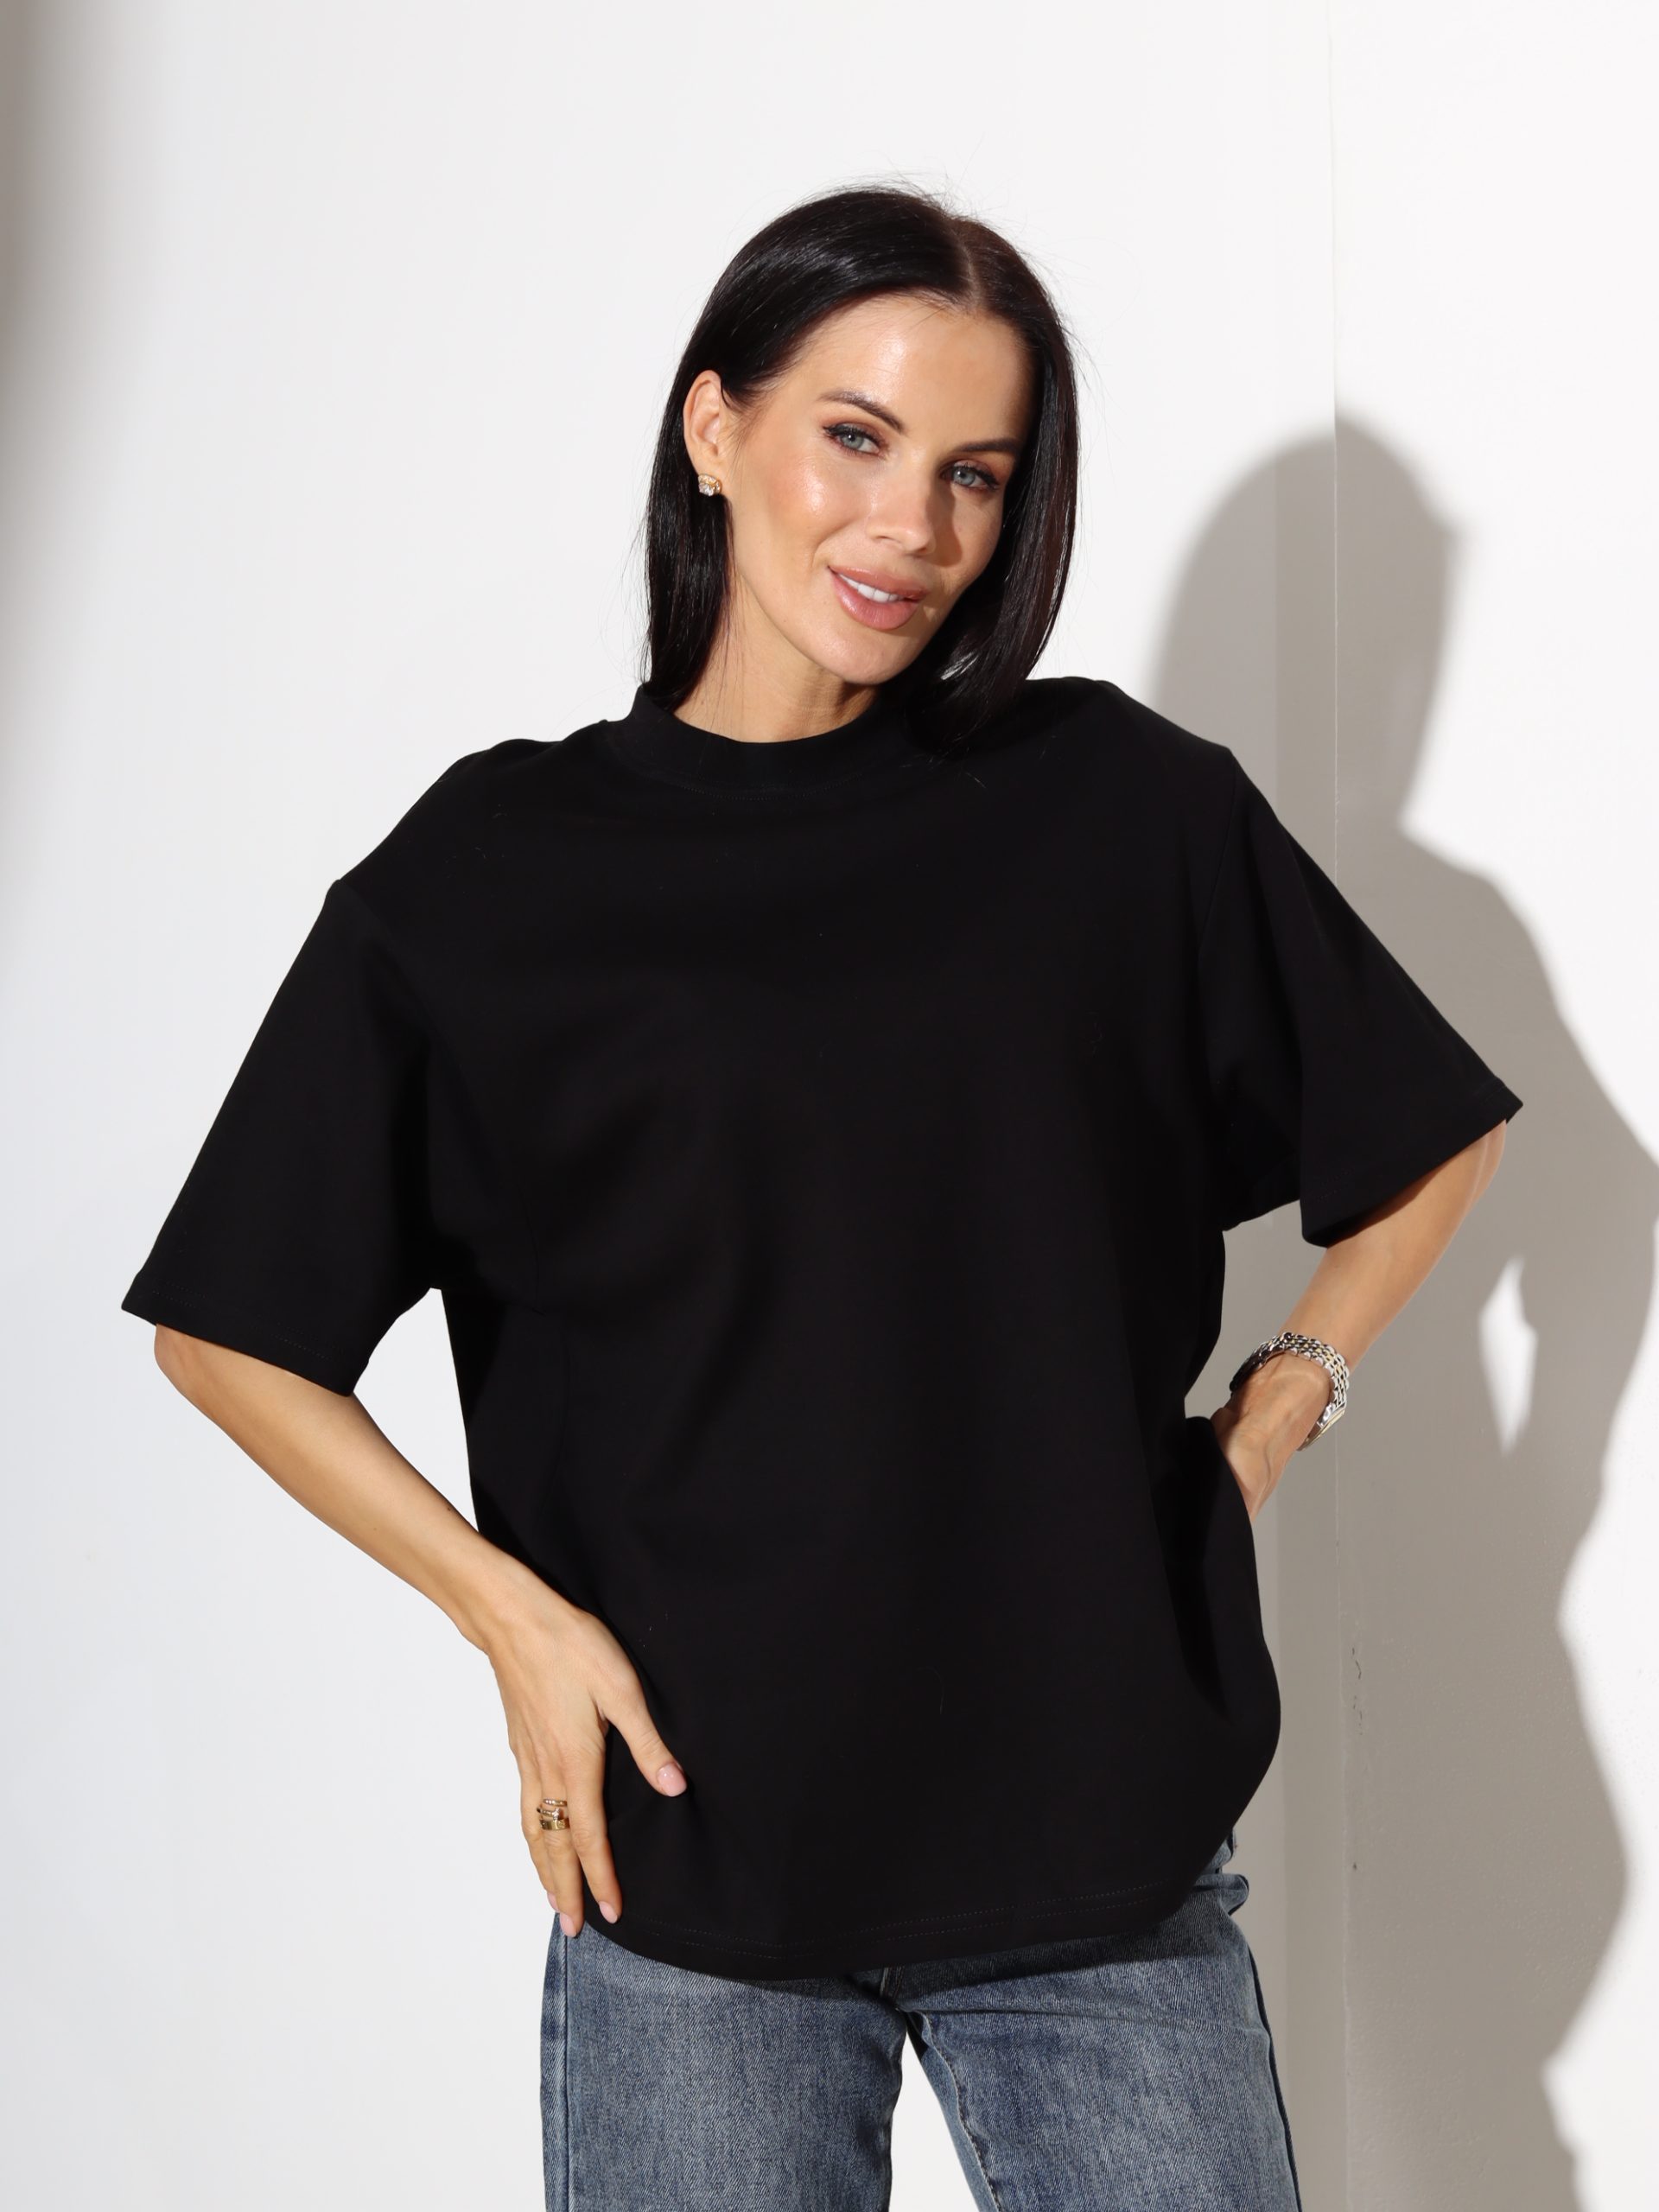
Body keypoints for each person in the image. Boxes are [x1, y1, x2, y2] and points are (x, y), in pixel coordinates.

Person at [122, 182, 1522, 2211]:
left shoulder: (1115, 809)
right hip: (695, 1869)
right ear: (716, 426)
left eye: (975, 473)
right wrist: (513, 1618)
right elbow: (232, 1326)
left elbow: (1427, 1131)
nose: (912, 527)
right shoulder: (497, 873)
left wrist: (1277, 1407)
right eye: (854, 438)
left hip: (1098, 1849)